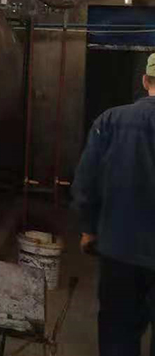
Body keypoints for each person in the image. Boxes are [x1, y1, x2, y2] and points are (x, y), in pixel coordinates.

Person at [72, 53, 155, 356]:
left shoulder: (110, 120)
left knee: (118, 332)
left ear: (145, 81)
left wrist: (88, 229)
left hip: (119, 248)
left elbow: (86, 182)